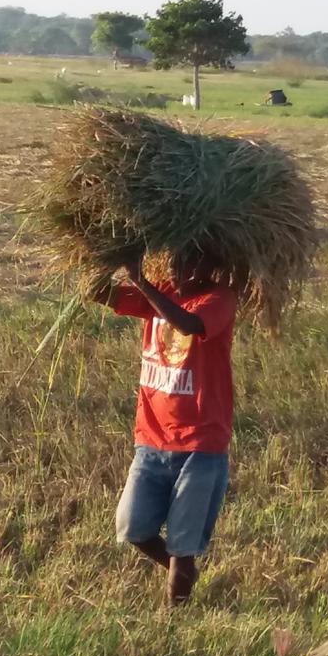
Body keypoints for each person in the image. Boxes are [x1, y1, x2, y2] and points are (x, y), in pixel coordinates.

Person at [91, 249, 237, 605]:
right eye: (175, 259)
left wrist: (140, 280)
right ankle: (182, 572)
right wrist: (104, 256)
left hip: (200, 444)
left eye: (189, 260)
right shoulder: (161, 293)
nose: (177, 267)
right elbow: (99, 293)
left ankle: (174, 618)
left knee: (182, 544)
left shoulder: (220, 299)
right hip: (151, 439)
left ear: (210, 265)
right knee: (132, 527)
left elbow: (188, 324)